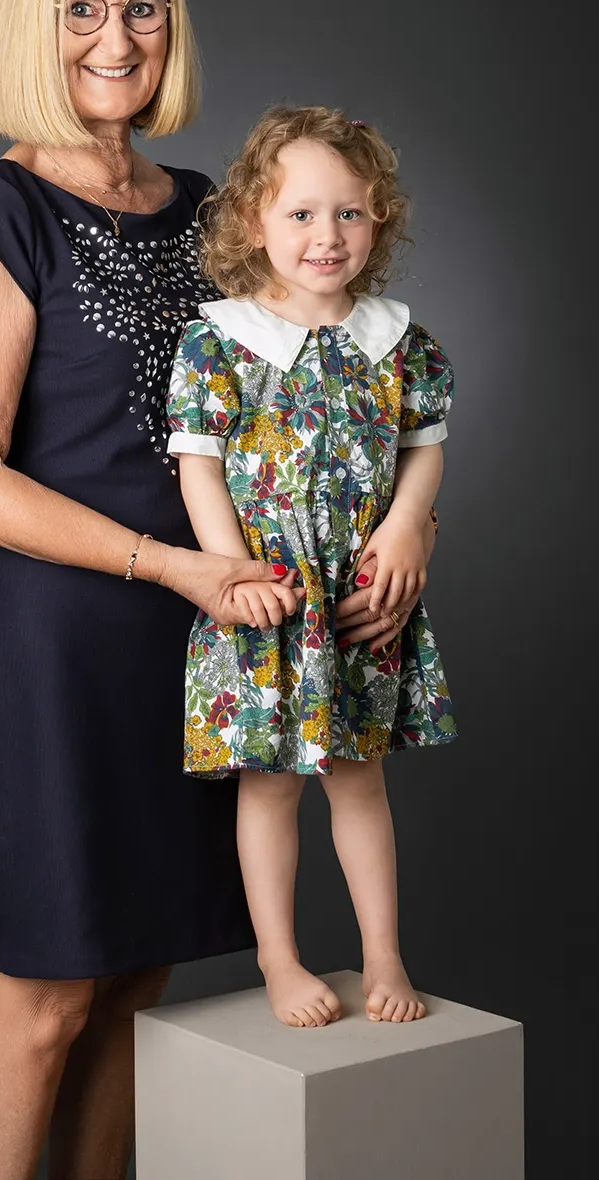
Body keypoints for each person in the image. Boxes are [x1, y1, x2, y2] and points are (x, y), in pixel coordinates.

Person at [0, 0, 320, 1180]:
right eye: (82, 9)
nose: (115, 37)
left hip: (203, 636)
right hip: (66, 642)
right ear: (37, 29)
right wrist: (170, 565)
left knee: (137, 982)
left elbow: (283, 413)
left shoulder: (210, 209)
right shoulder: (1, 211)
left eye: (141, 8)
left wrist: (364, 546)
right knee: (41, 998)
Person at [166, 105, 456, 1029]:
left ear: (378, 221)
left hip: (361, 599)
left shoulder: (397, 341)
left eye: (349, 214)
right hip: (269, 597)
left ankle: (383, 955)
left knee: (361, 779)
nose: (326, 236)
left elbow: (423, 447)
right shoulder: (222, 338)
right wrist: (231, 573)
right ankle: (280, 960)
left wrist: (410, 525)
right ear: (255, 222)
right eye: (300, 214)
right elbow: (197, 462)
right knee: (273, 783)